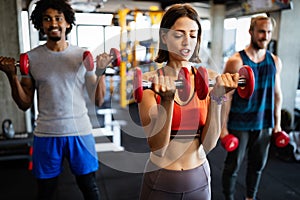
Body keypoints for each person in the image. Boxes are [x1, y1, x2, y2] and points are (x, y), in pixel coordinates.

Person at [0, 0, 113, 199]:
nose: (53, 24)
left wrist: (101, 71)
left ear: (67, 23)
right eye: (47, 19)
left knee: (89, 188)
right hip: (46, 134)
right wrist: (11, 76)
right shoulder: (31, 58)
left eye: (58, 18)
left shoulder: (82, 56)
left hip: (80, 132)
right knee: (46, 191)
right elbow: (24, 103)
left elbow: (99, 100)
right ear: (40, 24)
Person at [137, 4, 240, 200]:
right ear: (165, 38)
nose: (187, 42)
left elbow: (209, 144)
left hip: (199, 178)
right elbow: (158, 148)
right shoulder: (149, 83)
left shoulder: (209, 79)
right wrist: (167, 101)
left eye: (193, 35)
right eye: (179, 35)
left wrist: (217, 97)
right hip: (161, 177)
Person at [221, 16, 283, 200]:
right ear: (251, 32)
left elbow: (277, 94)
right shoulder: (236, 62)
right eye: (261, 31)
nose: (265, 36)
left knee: (257, 166)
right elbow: (226, 97)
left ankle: (250, 197)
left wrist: (277, 124)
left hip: (264, 123)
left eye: (269, 32)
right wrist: (223, 128)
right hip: (239, 123)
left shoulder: (275, 61)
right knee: (233, 166)